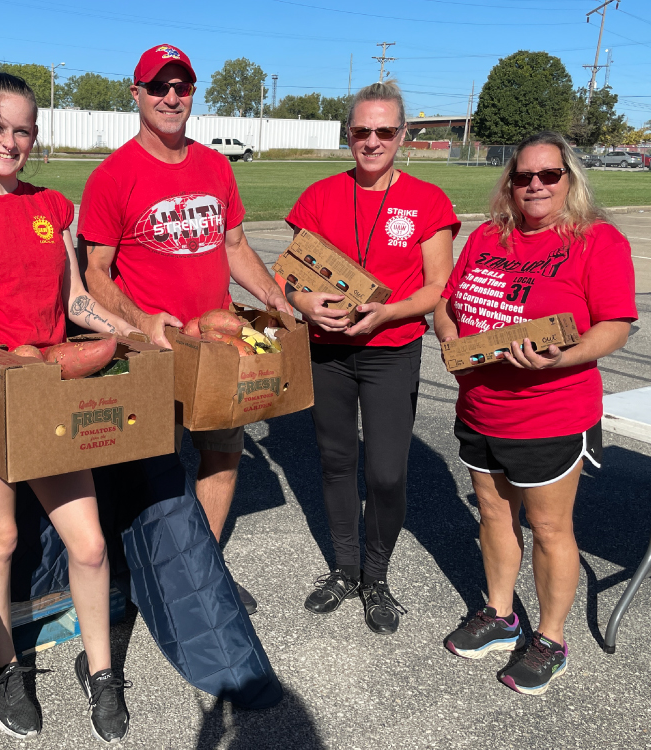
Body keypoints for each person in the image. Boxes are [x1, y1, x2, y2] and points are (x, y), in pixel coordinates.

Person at [0, 72, 137, 744]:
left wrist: (134, 328)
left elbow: (75, 305)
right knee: (1, 539)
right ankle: (6, 667)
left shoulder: (52, 207)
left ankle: (100, 671)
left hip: (43, 394)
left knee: (91, 546)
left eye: (23, 129)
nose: (11, 141)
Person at [77, 44, 291, 616]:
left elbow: (235, 245)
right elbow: (93, 272)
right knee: (151, 465)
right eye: (159, 87)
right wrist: (141, 322)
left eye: (182, 87)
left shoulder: (216, 166)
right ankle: (139, 576)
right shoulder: (112, 176)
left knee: (223, 450)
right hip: (154, 346)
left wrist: (271, 295)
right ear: (137, 93)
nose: (171, 97)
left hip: (216, 340)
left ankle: (203, 568)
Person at [436, 131, 636, 695]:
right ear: (509, 183)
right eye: (523, 176)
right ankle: (501, 616)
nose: (535, 185)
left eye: (549, 175)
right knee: (495, 516)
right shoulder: (487, 236)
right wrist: (452, 341)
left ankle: (550, 639)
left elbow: (616, 325)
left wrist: (560, 359)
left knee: (549, 528)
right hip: (480, 405)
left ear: (569, 179)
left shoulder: (596, 241)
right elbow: (449, 306)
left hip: (550, 412)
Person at [285, 81, 460, 635]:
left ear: (402, 134)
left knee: (386, 472)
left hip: (391, 351)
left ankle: (378, 576)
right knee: (336, 463)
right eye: (362, 131)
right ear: (349, 134)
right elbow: (289, 278)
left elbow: (439, 288)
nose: (372, 140)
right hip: (328, 352)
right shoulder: (318, 196)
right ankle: (345, 567)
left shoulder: (427, 201)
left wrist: (388, 313)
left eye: (384, 131)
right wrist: (304, 302)